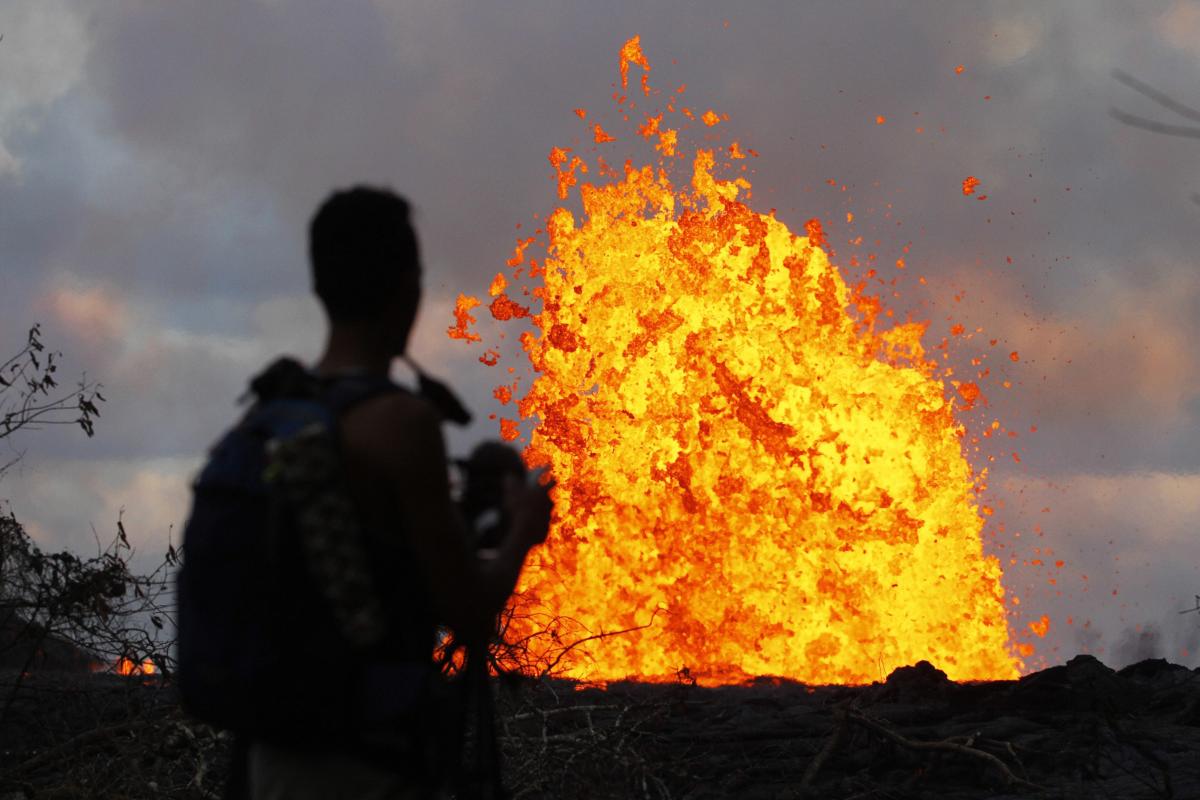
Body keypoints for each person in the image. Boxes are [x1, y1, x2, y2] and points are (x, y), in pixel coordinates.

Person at [245, 187, 553, 799]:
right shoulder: (400, 425)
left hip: (272, 760)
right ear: (409, 288)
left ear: (320, 288)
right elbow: (468, 611)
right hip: (362, 765)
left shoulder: (273, 415)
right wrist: (521, 530)